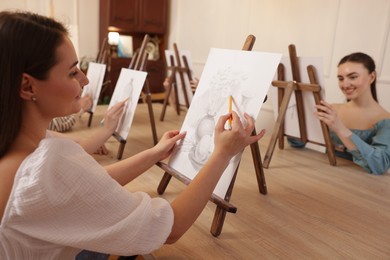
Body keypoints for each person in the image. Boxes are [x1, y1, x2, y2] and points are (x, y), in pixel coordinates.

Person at [0, 11, 265, 260]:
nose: (85, 79)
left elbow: (85, 184)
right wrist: (222, 153)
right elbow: (168, 227)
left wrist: (153, 154)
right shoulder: (44, 166)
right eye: (72, 72)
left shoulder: (23, 142)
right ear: (27, 85)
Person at [314, 52, 390, 174]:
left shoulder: (386, 120)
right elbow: (297, 144)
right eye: (341, 78)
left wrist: (340, 128)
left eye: (353, 77)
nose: (345, 84)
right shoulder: (332, 110)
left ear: (372, 77)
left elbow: (380, 164)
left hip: (361, 186)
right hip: (325, 176)